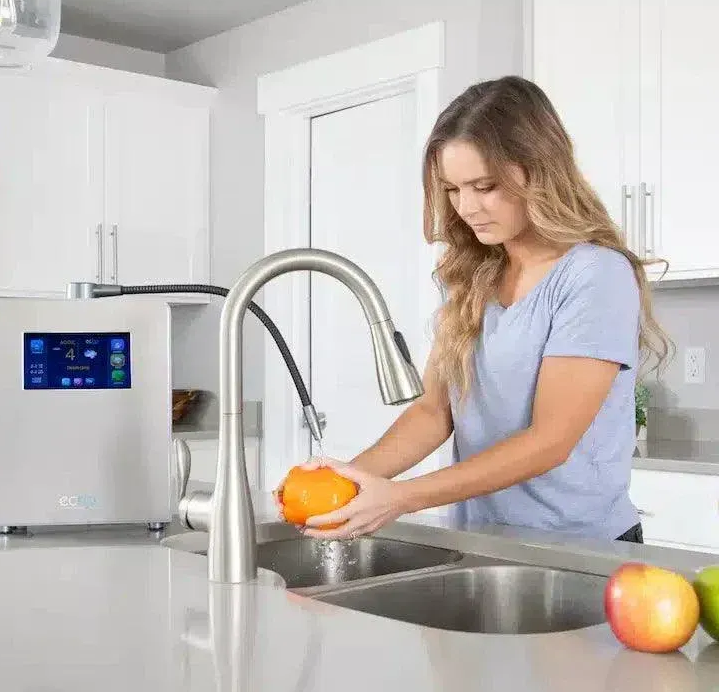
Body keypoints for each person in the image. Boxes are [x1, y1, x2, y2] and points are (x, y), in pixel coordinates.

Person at [278, 75, 670, 544]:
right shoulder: (469, 276)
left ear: (539, 170)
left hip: (581, 550)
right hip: (482, 541)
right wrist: (346, 481)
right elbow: (433, 412)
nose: (466, 207)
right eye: (452, 189)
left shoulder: (595, 276)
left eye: (485, 186)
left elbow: (549, 442)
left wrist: (400, 497)